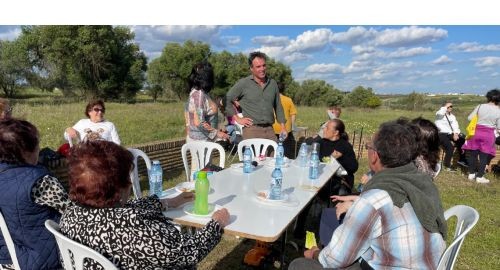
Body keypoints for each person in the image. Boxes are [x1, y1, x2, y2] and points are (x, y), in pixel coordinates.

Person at [289, 120, 447, 270]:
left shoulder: (374, 199)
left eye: (368, 147)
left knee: (298, 264)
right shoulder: (423, 182)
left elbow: (334, 259)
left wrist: (315, 253)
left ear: (375, 156)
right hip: (430, 264)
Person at [60, 140, 230, 269]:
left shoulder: (70, 213)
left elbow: (127, 209)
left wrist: (164, 202)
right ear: (120, 188)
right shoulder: (135, 228)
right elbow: (187, 251)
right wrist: (216, 224)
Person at [0, 119, 68, 270]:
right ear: (26, 151)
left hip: (7, 258)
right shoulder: (40, 181)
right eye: (37, 144)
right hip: (43, 260)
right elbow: (70, 211)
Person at [225, 51, 287, 141]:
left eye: (264, 65)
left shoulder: (272, 84)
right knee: (253, 155)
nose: (262, 69)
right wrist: (237, 119)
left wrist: (283, 127)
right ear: (251, 68)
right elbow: (226, 99)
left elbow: (278, 106)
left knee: (274, 155)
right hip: (251, 130)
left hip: (270, 130)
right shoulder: (244, 83)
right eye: (258, 66)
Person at [184, 61, 229, 142]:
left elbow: (188, 118)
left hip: (198, 140)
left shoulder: (195, 92)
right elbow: (199, 122)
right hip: (201, 141)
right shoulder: (199, 95)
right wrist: (217, 133)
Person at [462, 89, 500, 184]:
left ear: (488, 97)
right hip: (488, 135)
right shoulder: (498, 111)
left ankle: (471, 174)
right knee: (484, 156)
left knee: (473, 154)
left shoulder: (480, 106)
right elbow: (499, 127)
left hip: (476, 132)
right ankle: (479, 177)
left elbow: (469, 118)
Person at [435, 101, 467, 171]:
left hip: (450, 134)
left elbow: (455, 126)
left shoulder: (452, 116)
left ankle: (462, 159)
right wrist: (445, 107)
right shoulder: (439, 114)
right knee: (450, 147)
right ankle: (447, 165)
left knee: (462, 140)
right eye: (448, 106)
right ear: (444, 107)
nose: (450, 108)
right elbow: (441, 112)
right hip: (441, 134)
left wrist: (456, 133)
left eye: (451, 106)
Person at [273, 82, 297, 158]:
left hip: (273, 127)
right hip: (286, 129)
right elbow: (293, 114)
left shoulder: (271, 100)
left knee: (274, 148)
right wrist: (291, 126)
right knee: (286, 149)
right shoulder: (288, 100)